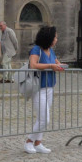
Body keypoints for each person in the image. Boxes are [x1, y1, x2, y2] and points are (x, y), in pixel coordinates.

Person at [24, 25, 65, 154]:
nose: (56, 39)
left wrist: (60, 66)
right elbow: (33, 64)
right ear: (49, 38)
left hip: (50, 87)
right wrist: (51, 65)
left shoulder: (50, 50)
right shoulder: (37, 49)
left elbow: (56, 63)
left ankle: (38, 142)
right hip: (39, 88)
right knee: (44, 118)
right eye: (55, 37)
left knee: (42, 118)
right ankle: (29, 141)